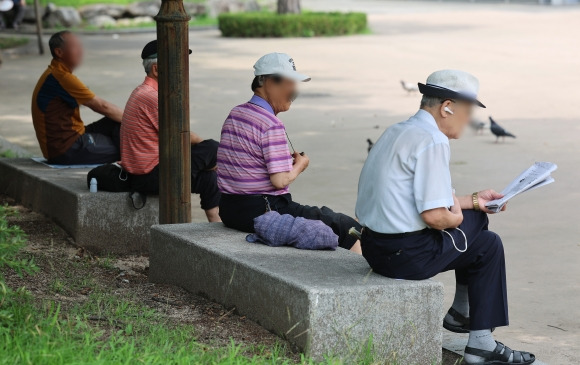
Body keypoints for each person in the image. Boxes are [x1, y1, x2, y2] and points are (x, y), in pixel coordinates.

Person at [355, 70, 535, 364]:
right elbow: (436, 216)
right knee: (476, 224)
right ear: (447, 107)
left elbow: (424, 199)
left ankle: (476, 337)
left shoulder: (398, 131)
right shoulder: (433, 140)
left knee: (487, 245)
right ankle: (465, 320)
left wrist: (474, 200)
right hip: (406, 256)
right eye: (467, 111)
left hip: (375, 248)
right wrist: (460, 218)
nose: (468, 119)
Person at [217, 53, 362, 252]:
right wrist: (300, 166)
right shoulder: (270, 123)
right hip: (263, 211)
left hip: (230, 210)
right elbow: (279, 180)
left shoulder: (236, 113)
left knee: (327, 217)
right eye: (290, 83)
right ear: (268, 81)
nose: (294, 91)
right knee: (345, 226)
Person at [120, 40, 221, 222]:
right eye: (177, 64)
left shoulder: (147, 92)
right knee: (213, 149)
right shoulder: (151, 97)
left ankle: (216, 224)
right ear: (157, 69)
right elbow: (184, 136)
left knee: (209, 177)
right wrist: (212, 156)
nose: (182, 69)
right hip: (149, 176)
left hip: (155, 170)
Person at [31, 31, 124, 165]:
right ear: (59, 52)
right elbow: (102, 106)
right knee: (127, 148)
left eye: (81, 46)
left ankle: (127, 150)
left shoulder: (56, 72)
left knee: (117, 122)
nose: (81, 51)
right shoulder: (62, 77)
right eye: (75, 47)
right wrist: (139, 122)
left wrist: (132, 121)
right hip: (65, 149)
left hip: (75, 134)